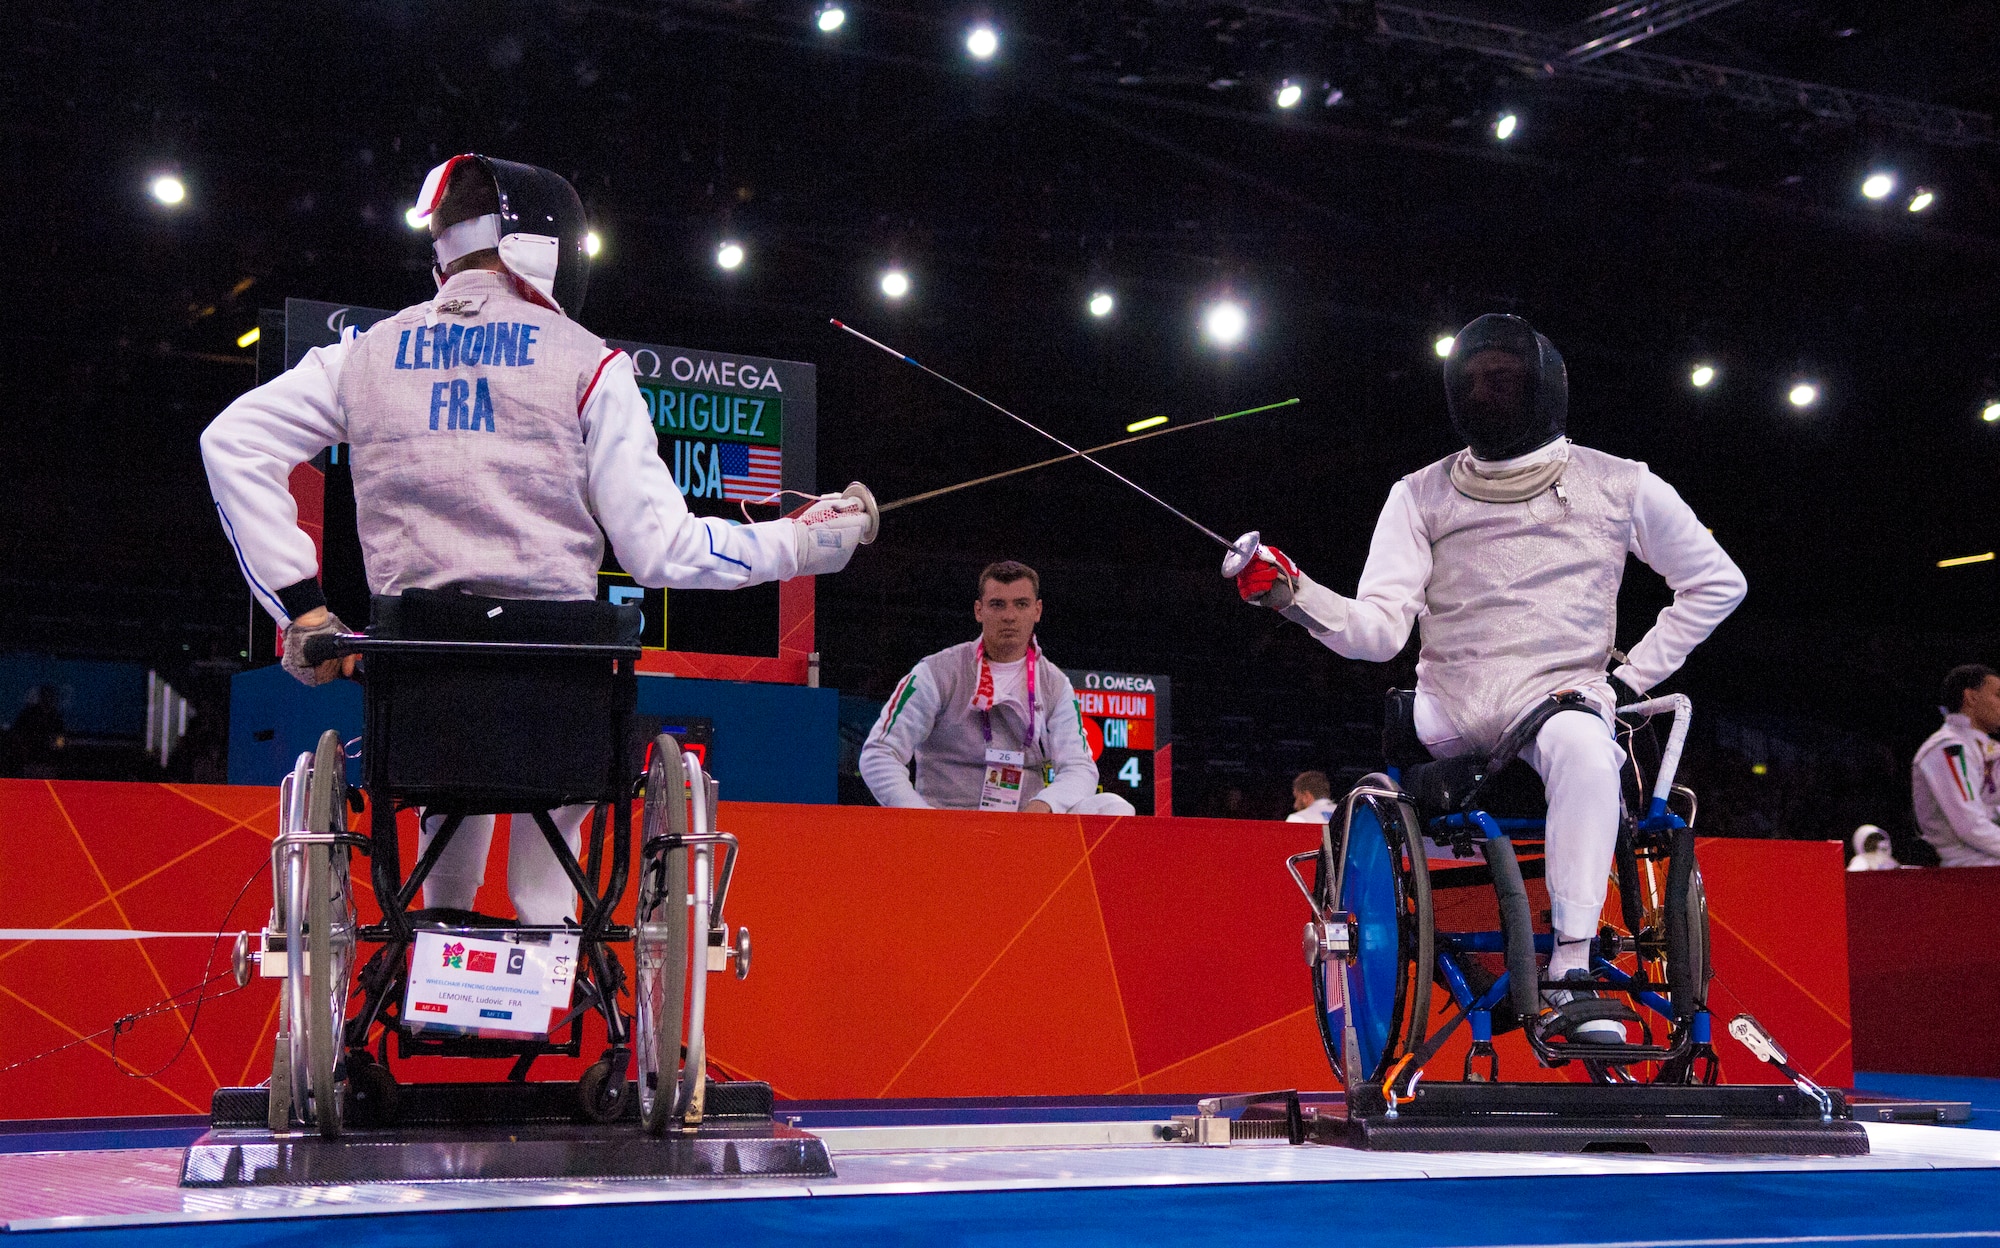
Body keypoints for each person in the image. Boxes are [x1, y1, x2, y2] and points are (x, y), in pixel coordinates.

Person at [202, 153, 876, 925]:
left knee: (444, 731)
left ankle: (445, 921)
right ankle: (545, 920)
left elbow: (232, 442)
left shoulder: (363, 354)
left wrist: (303, 608)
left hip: (419, 683)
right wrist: (800, 542)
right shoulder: (589, 363)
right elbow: (663, 551)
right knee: (553, 746)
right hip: (555, 691)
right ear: (545, 246)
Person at [1230, 313, 1745, 1046]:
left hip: (1563, 699)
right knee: (1571, 733)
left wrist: (1629, 682)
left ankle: (1572, 973)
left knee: (1581, 743)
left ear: (1543, 387)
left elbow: (1716, 583)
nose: (1482, 392)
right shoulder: (1419, 494)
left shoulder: (1621, 483)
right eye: (1470, 380)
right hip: (1453, 711)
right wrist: (1295, 593)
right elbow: (1379, 634)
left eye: (1500, 378)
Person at [860, 560, 1134, 815]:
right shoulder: (935, 672)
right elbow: (879, 754)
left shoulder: (1055, 684)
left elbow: (1080, 767)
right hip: (946, 825)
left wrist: (1044, 805)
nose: (1009, 616)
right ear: (979, 610)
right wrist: (919, 816)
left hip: (1024, 826)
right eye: (998, 605)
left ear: (1037, 610)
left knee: (1113, 806)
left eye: (1021, 604)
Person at [1911, 664, 2000, 868]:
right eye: (1998, 695)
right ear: (1971, 698)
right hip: (1965, 866)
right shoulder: (1948, 748)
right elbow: (1969, 825)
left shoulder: (1990, 748)